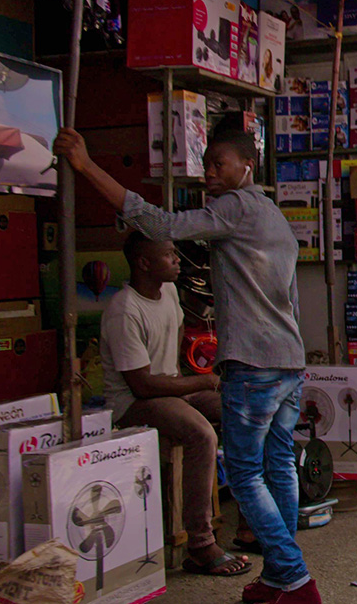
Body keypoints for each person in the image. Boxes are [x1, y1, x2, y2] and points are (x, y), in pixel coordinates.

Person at [54, 128, 321, 604]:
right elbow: (290, 298)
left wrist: (86, 167)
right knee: (277, 462)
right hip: (286, 361)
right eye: (207, 163)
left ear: (246, 167)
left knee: (244, 473)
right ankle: (281, 576)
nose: (209, 172)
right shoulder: (273, 216)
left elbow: (159, 224)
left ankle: (295, 578)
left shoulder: (236, 207)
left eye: (219, 163)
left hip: (255, 363)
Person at [101, 231, 248, 577]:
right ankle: (200, 544)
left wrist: (195, 382)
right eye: (169, 255)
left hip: (170, 388)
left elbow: (175, 346)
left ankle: (249, 524)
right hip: (134, 402)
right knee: (202, 435)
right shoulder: (124, 311)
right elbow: (141, 384)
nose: (178, 260)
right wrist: (201, 381)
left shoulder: (168, 292)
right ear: (144, 263)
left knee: (241, 413)